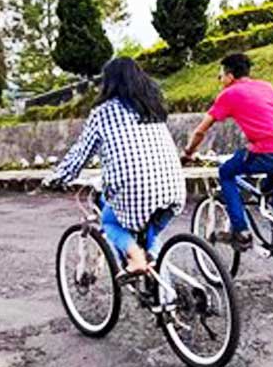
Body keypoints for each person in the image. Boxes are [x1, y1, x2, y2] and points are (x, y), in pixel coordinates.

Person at [45, 57, 186, 276]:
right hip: (174, 188)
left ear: (109, 83)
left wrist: (57, 178)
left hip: (136, 192)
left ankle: (137, 260)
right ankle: (166, 297)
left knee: (110, 223)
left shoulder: (103, 113)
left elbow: (80, 154)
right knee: (152, 236)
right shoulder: (153, 108)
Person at [182, 52, 273, 250]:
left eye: (220, 76)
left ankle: (241, 231)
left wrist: (188, 152)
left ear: (229, 76)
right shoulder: (266, 87)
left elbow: (200, 130)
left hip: (269, 151)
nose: (219, 80)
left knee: (226, 172)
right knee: (266, 186)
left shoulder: (229, 94)